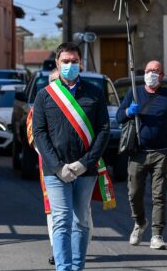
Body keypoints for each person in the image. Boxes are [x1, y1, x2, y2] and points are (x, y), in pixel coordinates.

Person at [32, 42, 112, 271]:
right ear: (57, 64)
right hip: (56, 171)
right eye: (65, 61)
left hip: (85, 170)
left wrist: (83, 163)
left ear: (81, 63)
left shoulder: (95, 94)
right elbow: (39, 133)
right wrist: (58, 167)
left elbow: (104, 130)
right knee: (61, 220)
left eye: (74, 61)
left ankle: (77, 267)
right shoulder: (45, 96)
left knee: (81, 221)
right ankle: (64, 268)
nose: (70, 65)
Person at [116, 60, 167, 250]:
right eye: (148, 70)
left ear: (162, 75)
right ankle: (139, 222)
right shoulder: (134, 93)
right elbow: (119, 116)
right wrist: (129, 111)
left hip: (161, 153)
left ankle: (157, 234)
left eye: (156, 71)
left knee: (159, 196)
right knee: (134, 193)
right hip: (138, 152)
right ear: (143, 73)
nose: (151, 73)